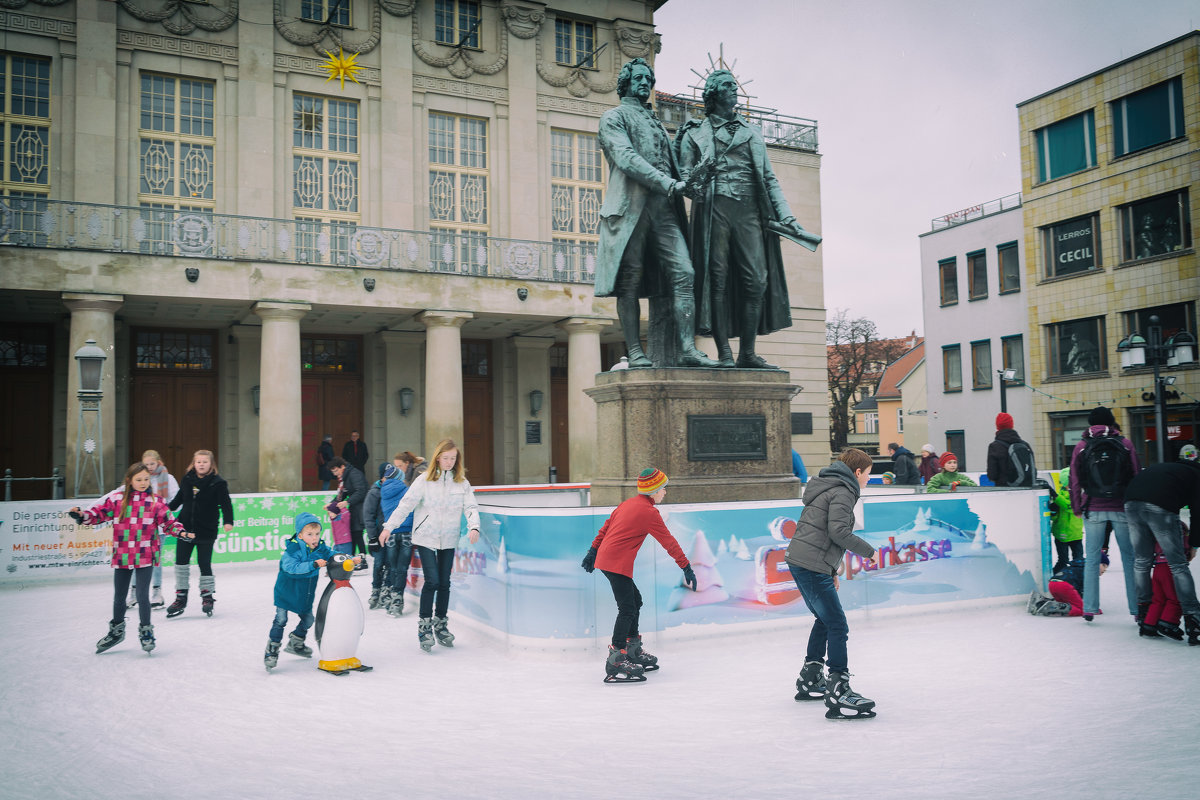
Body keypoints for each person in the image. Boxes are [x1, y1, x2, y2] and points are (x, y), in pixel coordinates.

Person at [675, 69, 809, 369]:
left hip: (749, 211)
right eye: (726, 86)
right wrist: (699, 178)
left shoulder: (752, 132)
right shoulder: (693, 132)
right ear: (712, 94)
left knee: (757, 280)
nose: (734, 90)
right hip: (714, 210)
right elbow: (683, 180)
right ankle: (724, 353)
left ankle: (747, 352)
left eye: (734, 86)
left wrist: (787, 215)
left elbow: (769, 178)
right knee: (717, 280)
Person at [593, 57, 719, 369]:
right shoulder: (614, 117)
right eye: (638, 78)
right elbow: (626, 158)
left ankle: (688, 348)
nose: (644, 84)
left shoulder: (658, 125)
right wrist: (670, 184)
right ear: (625, 83)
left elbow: (675, 164)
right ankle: (635, 351)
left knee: (684, 273)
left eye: (649, 79)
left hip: (664, 209)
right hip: (630, 210)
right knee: (630, 280)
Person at [783, 448, 878, 720]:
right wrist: (869, 551)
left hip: (803, 561)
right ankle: (839, 689)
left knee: (824, 620)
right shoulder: (844, 491)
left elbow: (824, 532)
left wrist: (832, 569)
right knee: (837, 623)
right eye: (868, 474)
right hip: (810, 564)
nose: (869, 479)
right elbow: (839, 531)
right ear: (857, 472)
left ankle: (811, 678)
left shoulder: (829, 486)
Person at [581, 468, 696, 683]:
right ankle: (617, 657)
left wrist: (592, 552)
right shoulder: (649, 512)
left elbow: (605, 528)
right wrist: (686, 566)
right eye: (663, 489)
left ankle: (632, 649)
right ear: (653, 491)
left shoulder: (628, 504)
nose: (665, 493)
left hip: (608, 560)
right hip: (615, 563)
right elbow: (668, 541)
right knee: (627, 608)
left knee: (635, 601)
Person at [72, 462, 194, 655]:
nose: (143, 483)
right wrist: (81, 516)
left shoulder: (156, 502)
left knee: (142, 595)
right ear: (129, 481)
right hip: (123, 553)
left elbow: (169, 522)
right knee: (119, 596)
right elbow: (98, 515)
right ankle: (116, 631)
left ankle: (146, 631)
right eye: (139, 480)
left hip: (145, 553)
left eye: (146, 479)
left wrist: (182, 533)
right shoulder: (117, 500)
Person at [381, 438, 480, 652]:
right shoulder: (424, 479)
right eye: (445, 458)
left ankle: (441, 624)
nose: (449, 462)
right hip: (426, 537)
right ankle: (424, 625)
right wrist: (389, 526)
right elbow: (406, 504)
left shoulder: (461, 482)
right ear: (437, 457)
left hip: (449, 538)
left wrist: (474, 526)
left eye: (453, 458)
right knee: (433, 581)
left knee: (444, 582)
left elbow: (470, 506)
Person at [1068, 406, 1141, 623]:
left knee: (1092, 558)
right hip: (1122, 508)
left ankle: (1089, 608)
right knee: (1130, 558)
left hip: (1093, 507)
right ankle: (1137, 609)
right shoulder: (1125, 444)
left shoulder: (1082, 446)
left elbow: (1074, 480)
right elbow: (1136, 475)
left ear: (1090, 423)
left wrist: (1077, 508)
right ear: (1111, 422)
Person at [1123, 450, 1200, 645]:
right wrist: (1193, 544)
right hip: (1160, 505)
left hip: (1131, 503)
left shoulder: (1171, 469)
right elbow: (1197, 514)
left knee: (1141, 561)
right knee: (1178, 565)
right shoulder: (1196, 476)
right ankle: (1194, 618)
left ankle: (1146, 613)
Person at [264, 511, 349, 670]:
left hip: (304, 593)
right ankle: (272, 650)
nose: (315, 538)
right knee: (281, 620)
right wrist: (313, 565)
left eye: (317, 533)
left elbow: (332, 554)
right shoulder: (292, 550)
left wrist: (348, 558)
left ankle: (296, 642)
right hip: (286, 592)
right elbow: (291, 568)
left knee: (309, 620)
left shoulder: (321, 548)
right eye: (310, 534)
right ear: (300, 535)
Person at [166, 449, 234, 618]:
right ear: (193, 463)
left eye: (205, 461)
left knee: (204, 564)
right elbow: (179, 499)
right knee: (181, 563)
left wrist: (228, 521)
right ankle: (180, 597)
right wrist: (166, 510)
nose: (201, 464)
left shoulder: (218, 483)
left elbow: (226, 504)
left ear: (211, 464)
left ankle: (207, 596)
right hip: (185, 529)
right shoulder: (188, 479)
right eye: (198, 462)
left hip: (206, 531)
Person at [379, 462, 414, 617]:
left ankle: (391, 597)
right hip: (406, 532)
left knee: (393, 567)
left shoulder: (382, 492)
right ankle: (397, 600)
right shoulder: (407, 490)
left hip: (390, 533)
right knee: (402, 568)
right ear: (400, 477)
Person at [327, 456, 369, 569]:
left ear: (342, 467)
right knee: (354, 534)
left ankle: (362, 561)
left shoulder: (354, 474)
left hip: (361, 507)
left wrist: (347, 502)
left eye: (336, 471)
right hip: (355, 508)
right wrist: (331, 505)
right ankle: (353, 560)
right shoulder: (345, 477)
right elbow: (343, 494)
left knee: (357, 534)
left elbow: (361, 491)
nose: (335, 474)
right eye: (333, 472)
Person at [1048, 467, 1084, 573]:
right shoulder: (1061, 495)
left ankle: (1077, 581)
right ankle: (1054, 578)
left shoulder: (1079, 495)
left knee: (1078, 561)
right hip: (1061, 533)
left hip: (1076, 534)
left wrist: (1055, 496)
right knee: (1063, 561)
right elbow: (1055, 517)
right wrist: (1053, 512)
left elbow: (1070, 507)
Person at [986, 413, 1035, 487]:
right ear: (1012, 425)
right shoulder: (1025, 445)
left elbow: (992, 475)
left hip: (1004, 491)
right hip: (1027, 490)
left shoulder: (994, 446)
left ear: (997, 426)